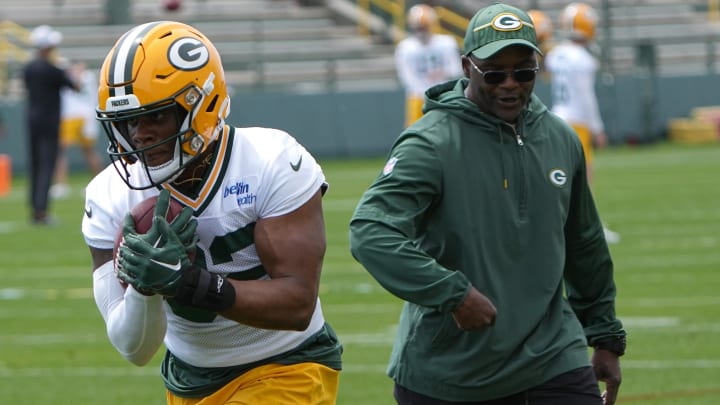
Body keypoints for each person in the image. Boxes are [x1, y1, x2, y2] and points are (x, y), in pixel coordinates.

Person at [349, 3, 626, 405]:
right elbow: (371, 231)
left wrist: (604, 335)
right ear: (466, 67)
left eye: (524, 72)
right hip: (451, 371)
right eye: (495, 73)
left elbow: (584, 243)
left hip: (553, 357)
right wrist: (452, 293)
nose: (510, 84)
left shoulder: (560, 138)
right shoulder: (431, 143)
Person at [82, 21, 342, 404]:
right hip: (188, 378)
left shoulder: (269, 161)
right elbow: (133, 349)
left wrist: (187, 283)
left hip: (286, 364)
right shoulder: (107, 195)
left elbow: (298, 303)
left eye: (155, 116)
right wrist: (144, 284)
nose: (138, 135)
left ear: (201, 104)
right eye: (128, 120)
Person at [544, 2, 619, 243]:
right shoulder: (583, 59)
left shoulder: (556, 54)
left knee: (562, 175)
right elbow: (587, 97)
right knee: (585, 175)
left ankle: (565, 223)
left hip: (557, 116)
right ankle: (587, 225)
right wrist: (598, 127)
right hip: (577, 120)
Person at [22, 25, 78, 224]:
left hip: (32, 119)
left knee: (35, 164)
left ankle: (34, 209)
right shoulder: (53, 69)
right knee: (47, 164)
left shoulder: (29, 68)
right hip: (49, 121)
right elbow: (75, 86)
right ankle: (41, 211)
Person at [395, 4, 463, 127]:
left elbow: (456, 69)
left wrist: (443, 72)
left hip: (444, 96)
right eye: (417, 28)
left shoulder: (446, 43)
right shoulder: (405, 48)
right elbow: (406, 77)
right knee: (416, 132)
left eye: (423, 27)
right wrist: (425, 92)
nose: (420, 32)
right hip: (418, 98)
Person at [50, 60, 103, 199]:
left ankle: (61, 184)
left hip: (73, 116)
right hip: (86, 116)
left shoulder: (81, 76)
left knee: (61, 150)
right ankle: (98, 183)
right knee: (88, 151)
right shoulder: (88, 76)